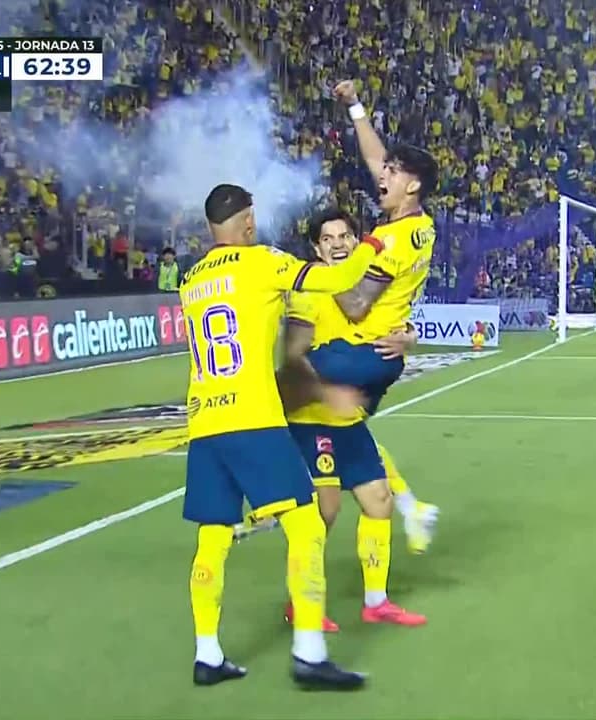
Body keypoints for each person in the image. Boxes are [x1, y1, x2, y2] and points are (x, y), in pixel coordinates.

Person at [181, 184, 382, 690]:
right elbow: (337, 277)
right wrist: (375, 245)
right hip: (253, 417)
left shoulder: (190, 279)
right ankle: (309, 654)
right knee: (307, 526)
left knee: (212, 536)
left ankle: (207, 654)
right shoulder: (262, 261)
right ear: (248, 222)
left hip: (204, 420)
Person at [272, 208, 439, 632]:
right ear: (317, 248)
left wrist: (407, 337)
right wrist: (327, 391)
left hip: (348, 421)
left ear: (357, 241)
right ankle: (300, 603)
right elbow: (292, 357)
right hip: (312, 419)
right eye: (328, 239)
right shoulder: (309, 290)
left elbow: (395, 329)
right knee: (324, 512)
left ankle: (376, 602)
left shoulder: (367, 287)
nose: (338, 244)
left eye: (345, 236)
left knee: (379, 501)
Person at [315, 79, 438, 416]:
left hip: (362, 351)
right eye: (385, 169)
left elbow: (356, 305)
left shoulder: (391, 241)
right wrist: (355, 106)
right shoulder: (420, 224)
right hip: (383, 354)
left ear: (412, 186)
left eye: (392, 172)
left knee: (286, 386)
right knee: (345, 433)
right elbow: (376, 159)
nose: (381, 176)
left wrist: (326, 272)